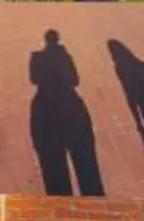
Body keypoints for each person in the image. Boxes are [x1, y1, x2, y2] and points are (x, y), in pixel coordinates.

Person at [27, 28, 105, 196]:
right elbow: (75, 81)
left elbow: (33, 79)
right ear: (58, 40)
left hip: (45, 109)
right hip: (70, 106)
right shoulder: (66, 57)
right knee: (87, 166)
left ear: (46, 41)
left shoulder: (36, 57)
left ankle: (62, 210)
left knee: (54, 171)